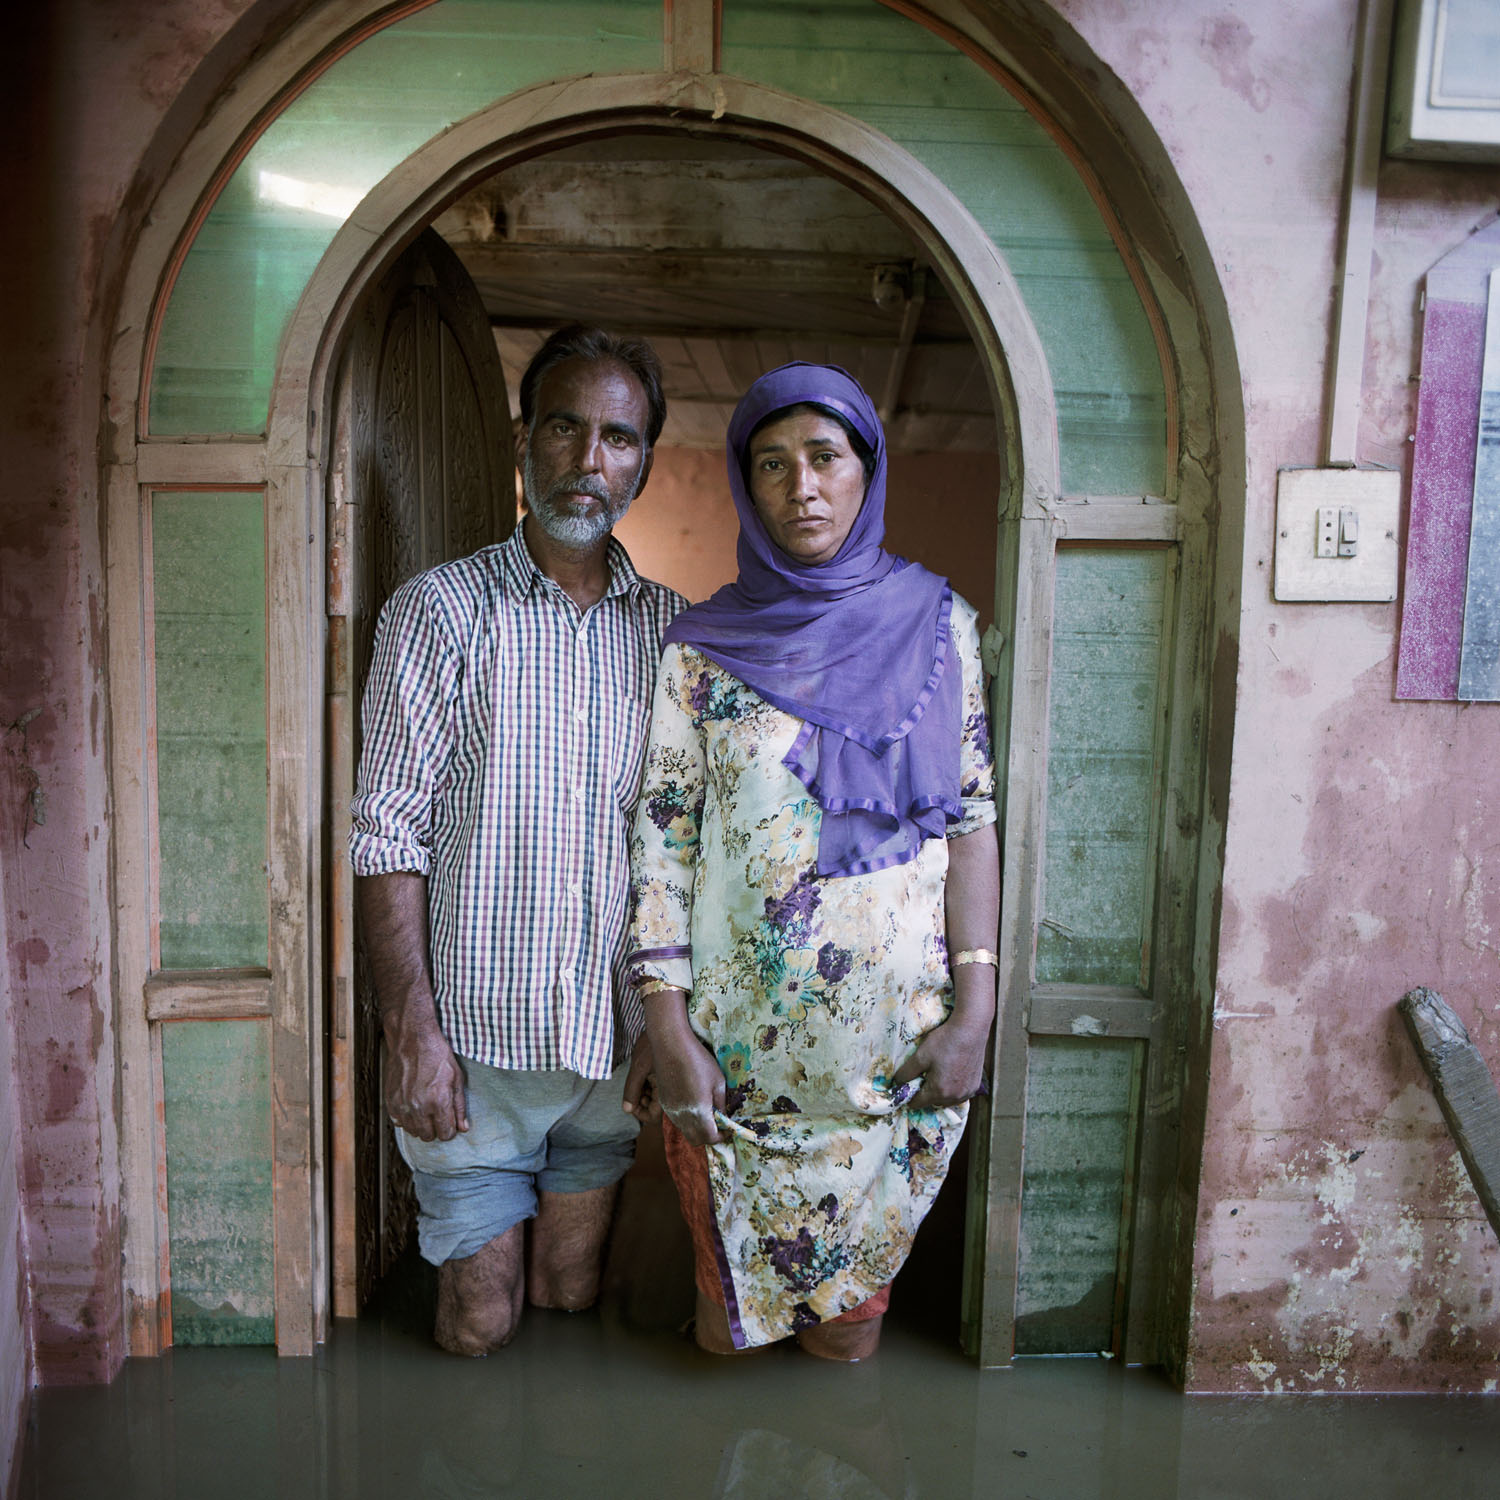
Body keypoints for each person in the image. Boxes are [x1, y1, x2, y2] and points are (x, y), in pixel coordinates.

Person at [625, 362, 999, 1361]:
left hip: (888, 1066)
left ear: (864, 470)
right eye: (773, 464)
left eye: (825, 458)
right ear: (748, 486)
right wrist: (665, 1028)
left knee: (845, 1347)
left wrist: (977, 1015)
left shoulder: (939, 631)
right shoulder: (700, 655)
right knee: (724, 1326)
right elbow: (661, 840)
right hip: (732, 1066)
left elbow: (971, 825)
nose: (803, 487)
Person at [349, 324, 685, 1356]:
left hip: (611, 1045)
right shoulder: (439, 611)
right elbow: (385, 829)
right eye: (565, 428)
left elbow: (694, 847)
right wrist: (409, 1031)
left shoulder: (677, 634)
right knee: (480, 1321)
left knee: (573, 1292)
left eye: (619, 439)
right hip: (473, 1043)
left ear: (642, 462)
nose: (590, 461)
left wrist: (671, 1033)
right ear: (522, 440)